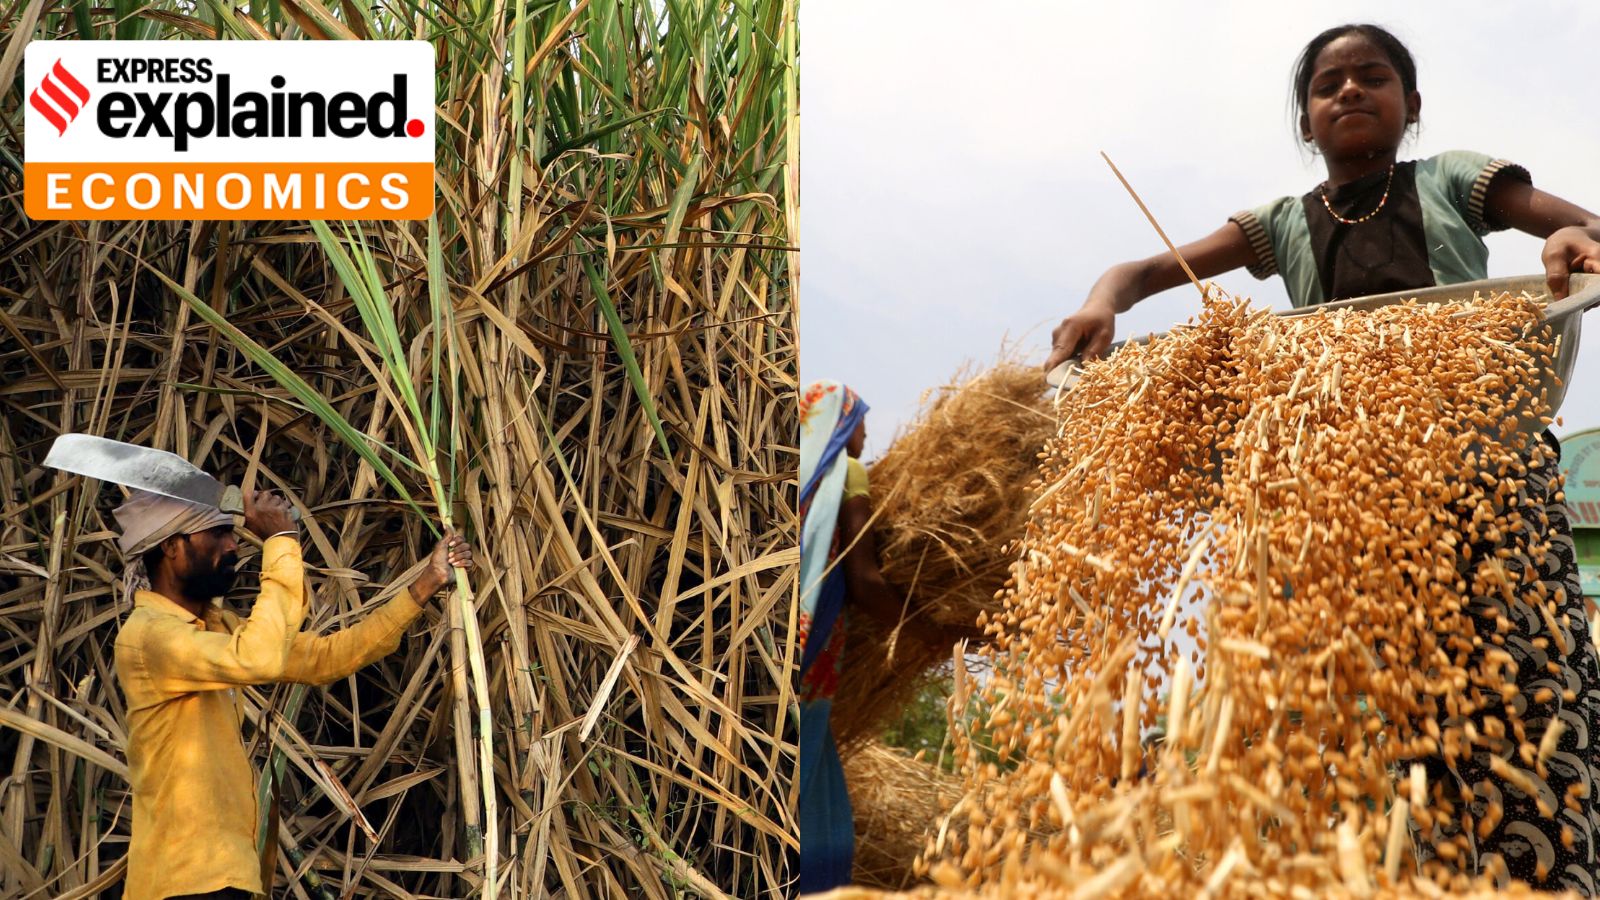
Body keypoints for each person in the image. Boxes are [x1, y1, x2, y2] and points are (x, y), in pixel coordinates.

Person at [1043, 23, 1600, 893]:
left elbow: (1583, 229)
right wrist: (1100, 301)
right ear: (1305, 120)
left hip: (1478, 467)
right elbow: (1144, 270)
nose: (1348, 92)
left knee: (1526, 703)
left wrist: (1572, 241)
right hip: (1344, 500)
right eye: (1327, 84)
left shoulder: (1452, 178)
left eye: (1372, 78)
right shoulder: (1282, 224)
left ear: (1410, 105)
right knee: (1364, 721)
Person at [112, 484, 473, 900]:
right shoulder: (147, 638)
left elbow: (328, 657)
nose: (232, 546)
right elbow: (259, 657)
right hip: (184, 881)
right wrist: (280, 541)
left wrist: (426, 584)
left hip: (221, 877)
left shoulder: (216, 629)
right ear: (173, 547)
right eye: (218, 534)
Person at [797, 380, 913, 893]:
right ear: (841, 426)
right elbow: (864, 581)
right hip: (815, 644)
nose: (866, 435)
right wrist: (926, 629)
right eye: (861, 422)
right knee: (810, 772)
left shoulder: (794, 478)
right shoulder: (850, 473)